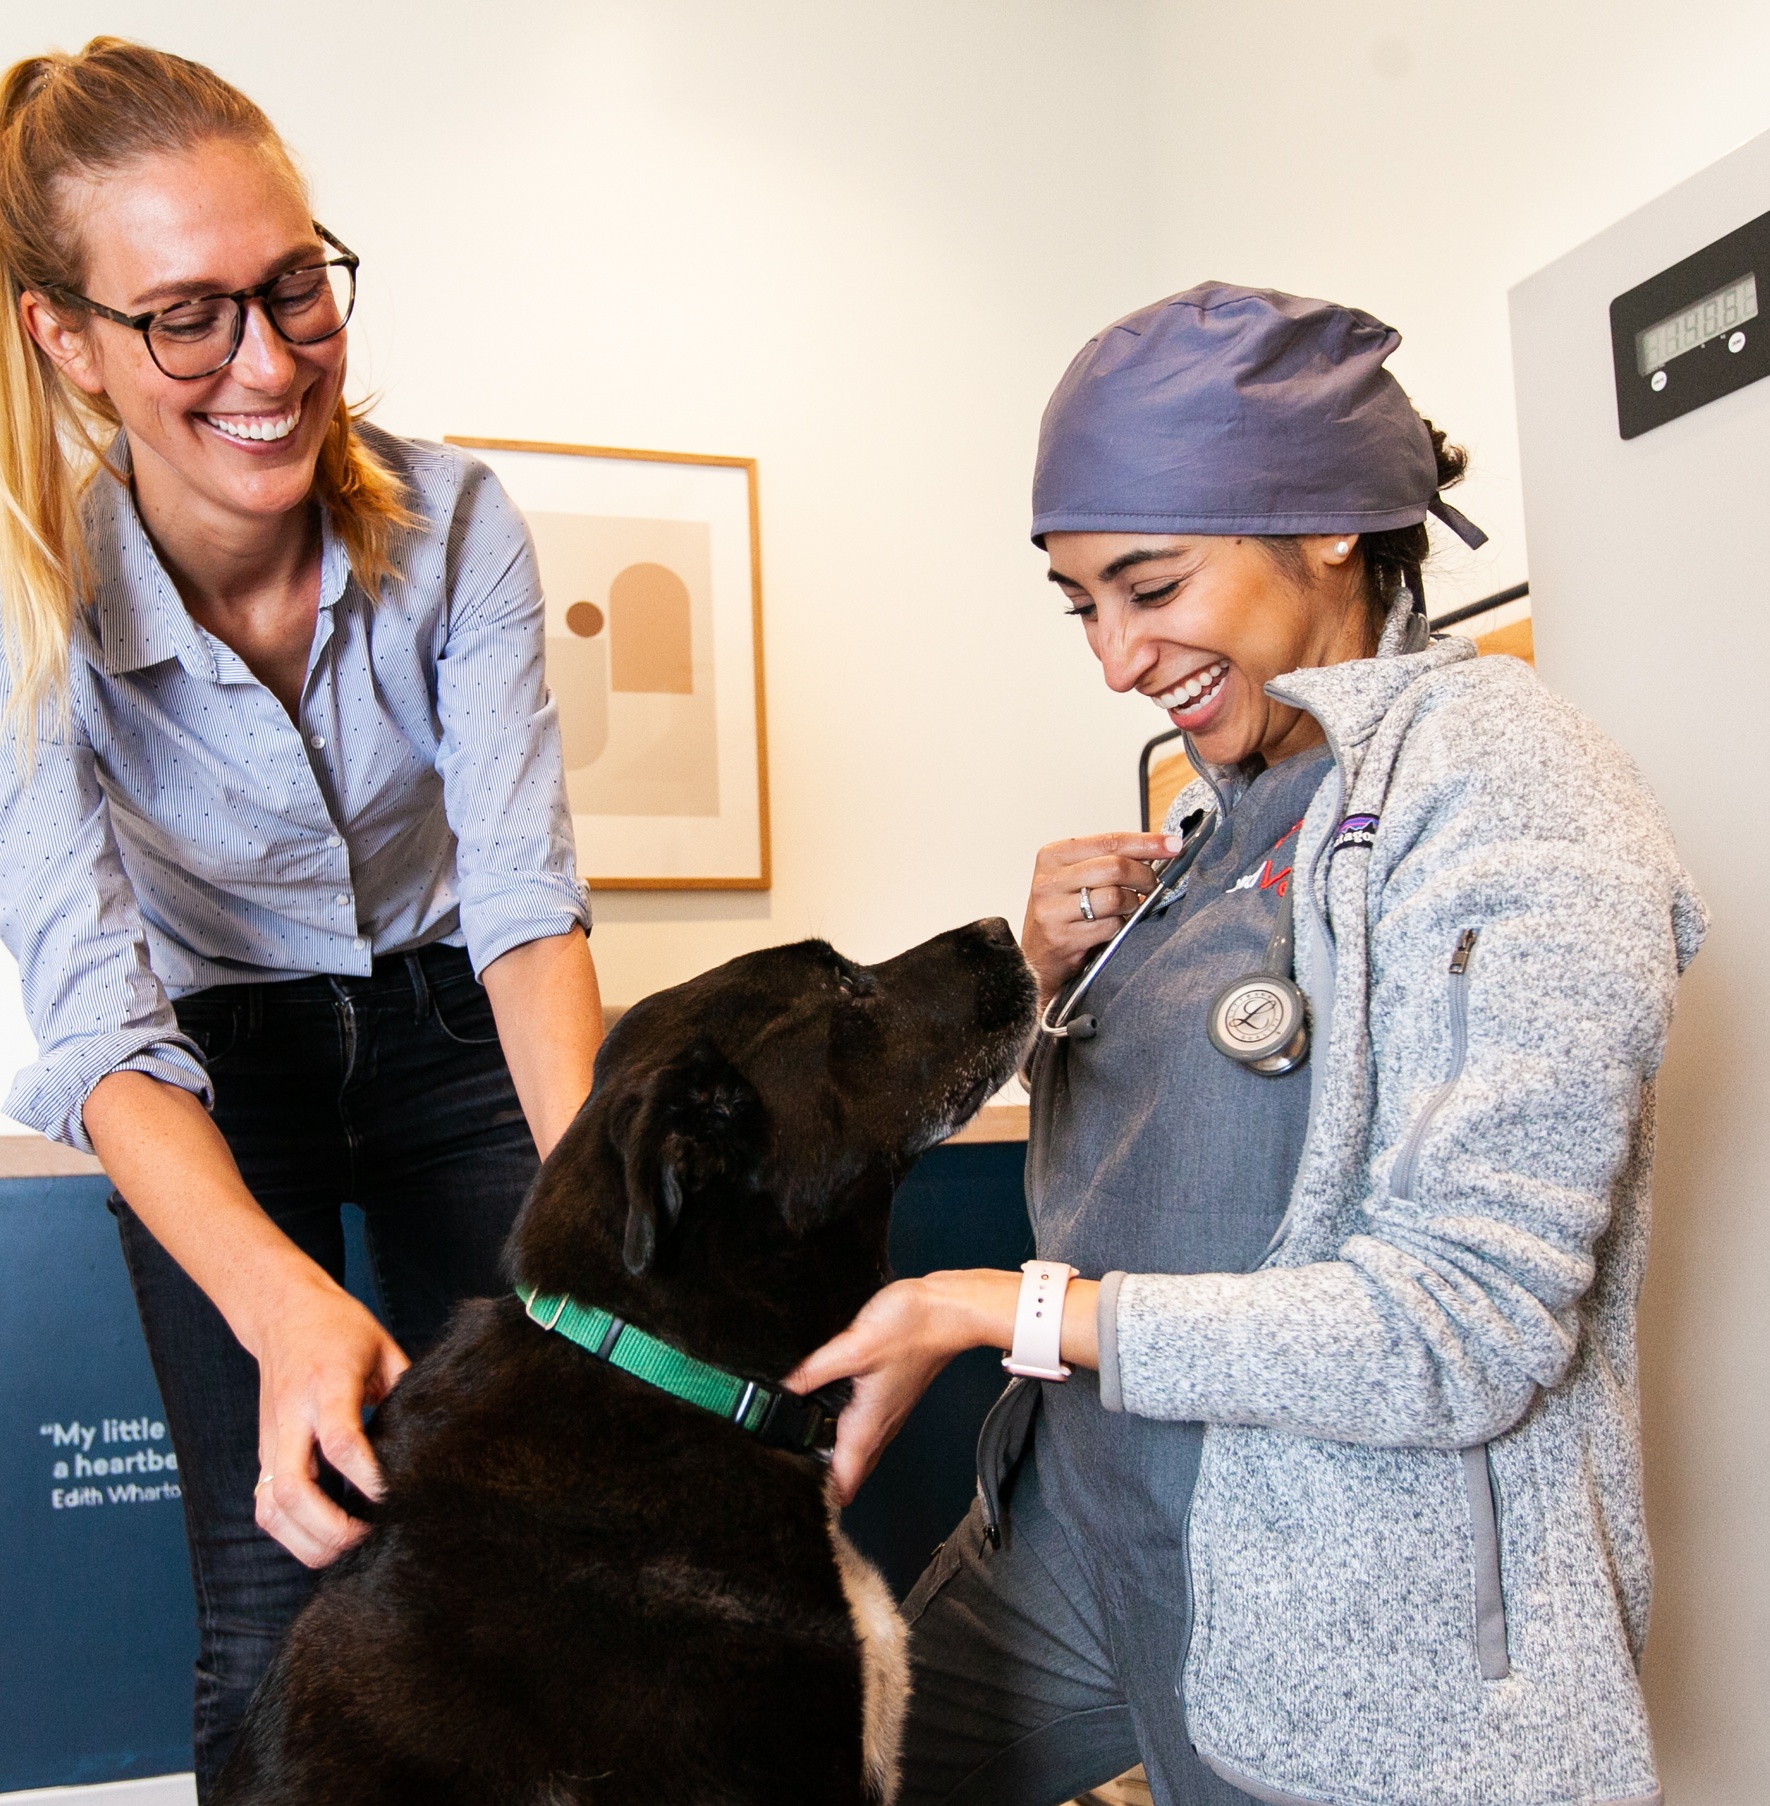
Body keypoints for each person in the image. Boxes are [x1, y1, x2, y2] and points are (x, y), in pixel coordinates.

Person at [789, 285, 1706, 1806]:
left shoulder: (1514, 787)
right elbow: (1180, 1156)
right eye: (1081, 603)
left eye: (1147, 584)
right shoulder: (1222, 809)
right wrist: (1037, 979)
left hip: (1347, 1611)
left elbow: (1461, 1323)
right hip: (1077, 1528)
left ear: (1327, 521)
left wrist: (979, 1307)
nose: (1114, 658)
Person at [0, 40, 602, 1795]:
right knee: (275, 1602)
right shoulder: (27, 602)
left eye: (291, 288)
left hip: (451, 1030)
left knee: (529, 1555)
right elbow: (98, 1013)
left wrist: (595, 1236)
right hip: (211, 1067)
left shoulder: (459, 523)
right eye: (186, 315)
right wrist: (281, 1310)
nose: (265, 363)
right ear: (67, 335)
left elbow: (521, 906)